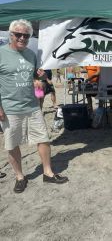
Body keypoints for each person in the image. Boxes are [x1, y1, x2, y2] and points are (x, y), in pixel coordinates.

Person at [0, 19, 68, 193]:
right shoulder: (1, 54)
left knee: (43, 139)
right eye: (18, 34)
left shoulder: (31, 54)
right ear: (11, 35)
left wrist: (40, 79)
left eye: (26, 35)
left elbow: (35, 80)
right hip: (9, 108)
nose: (22, 38)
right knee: (12, 144)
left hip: (32, 106)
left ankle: (48, 172)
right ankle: (20, 177)